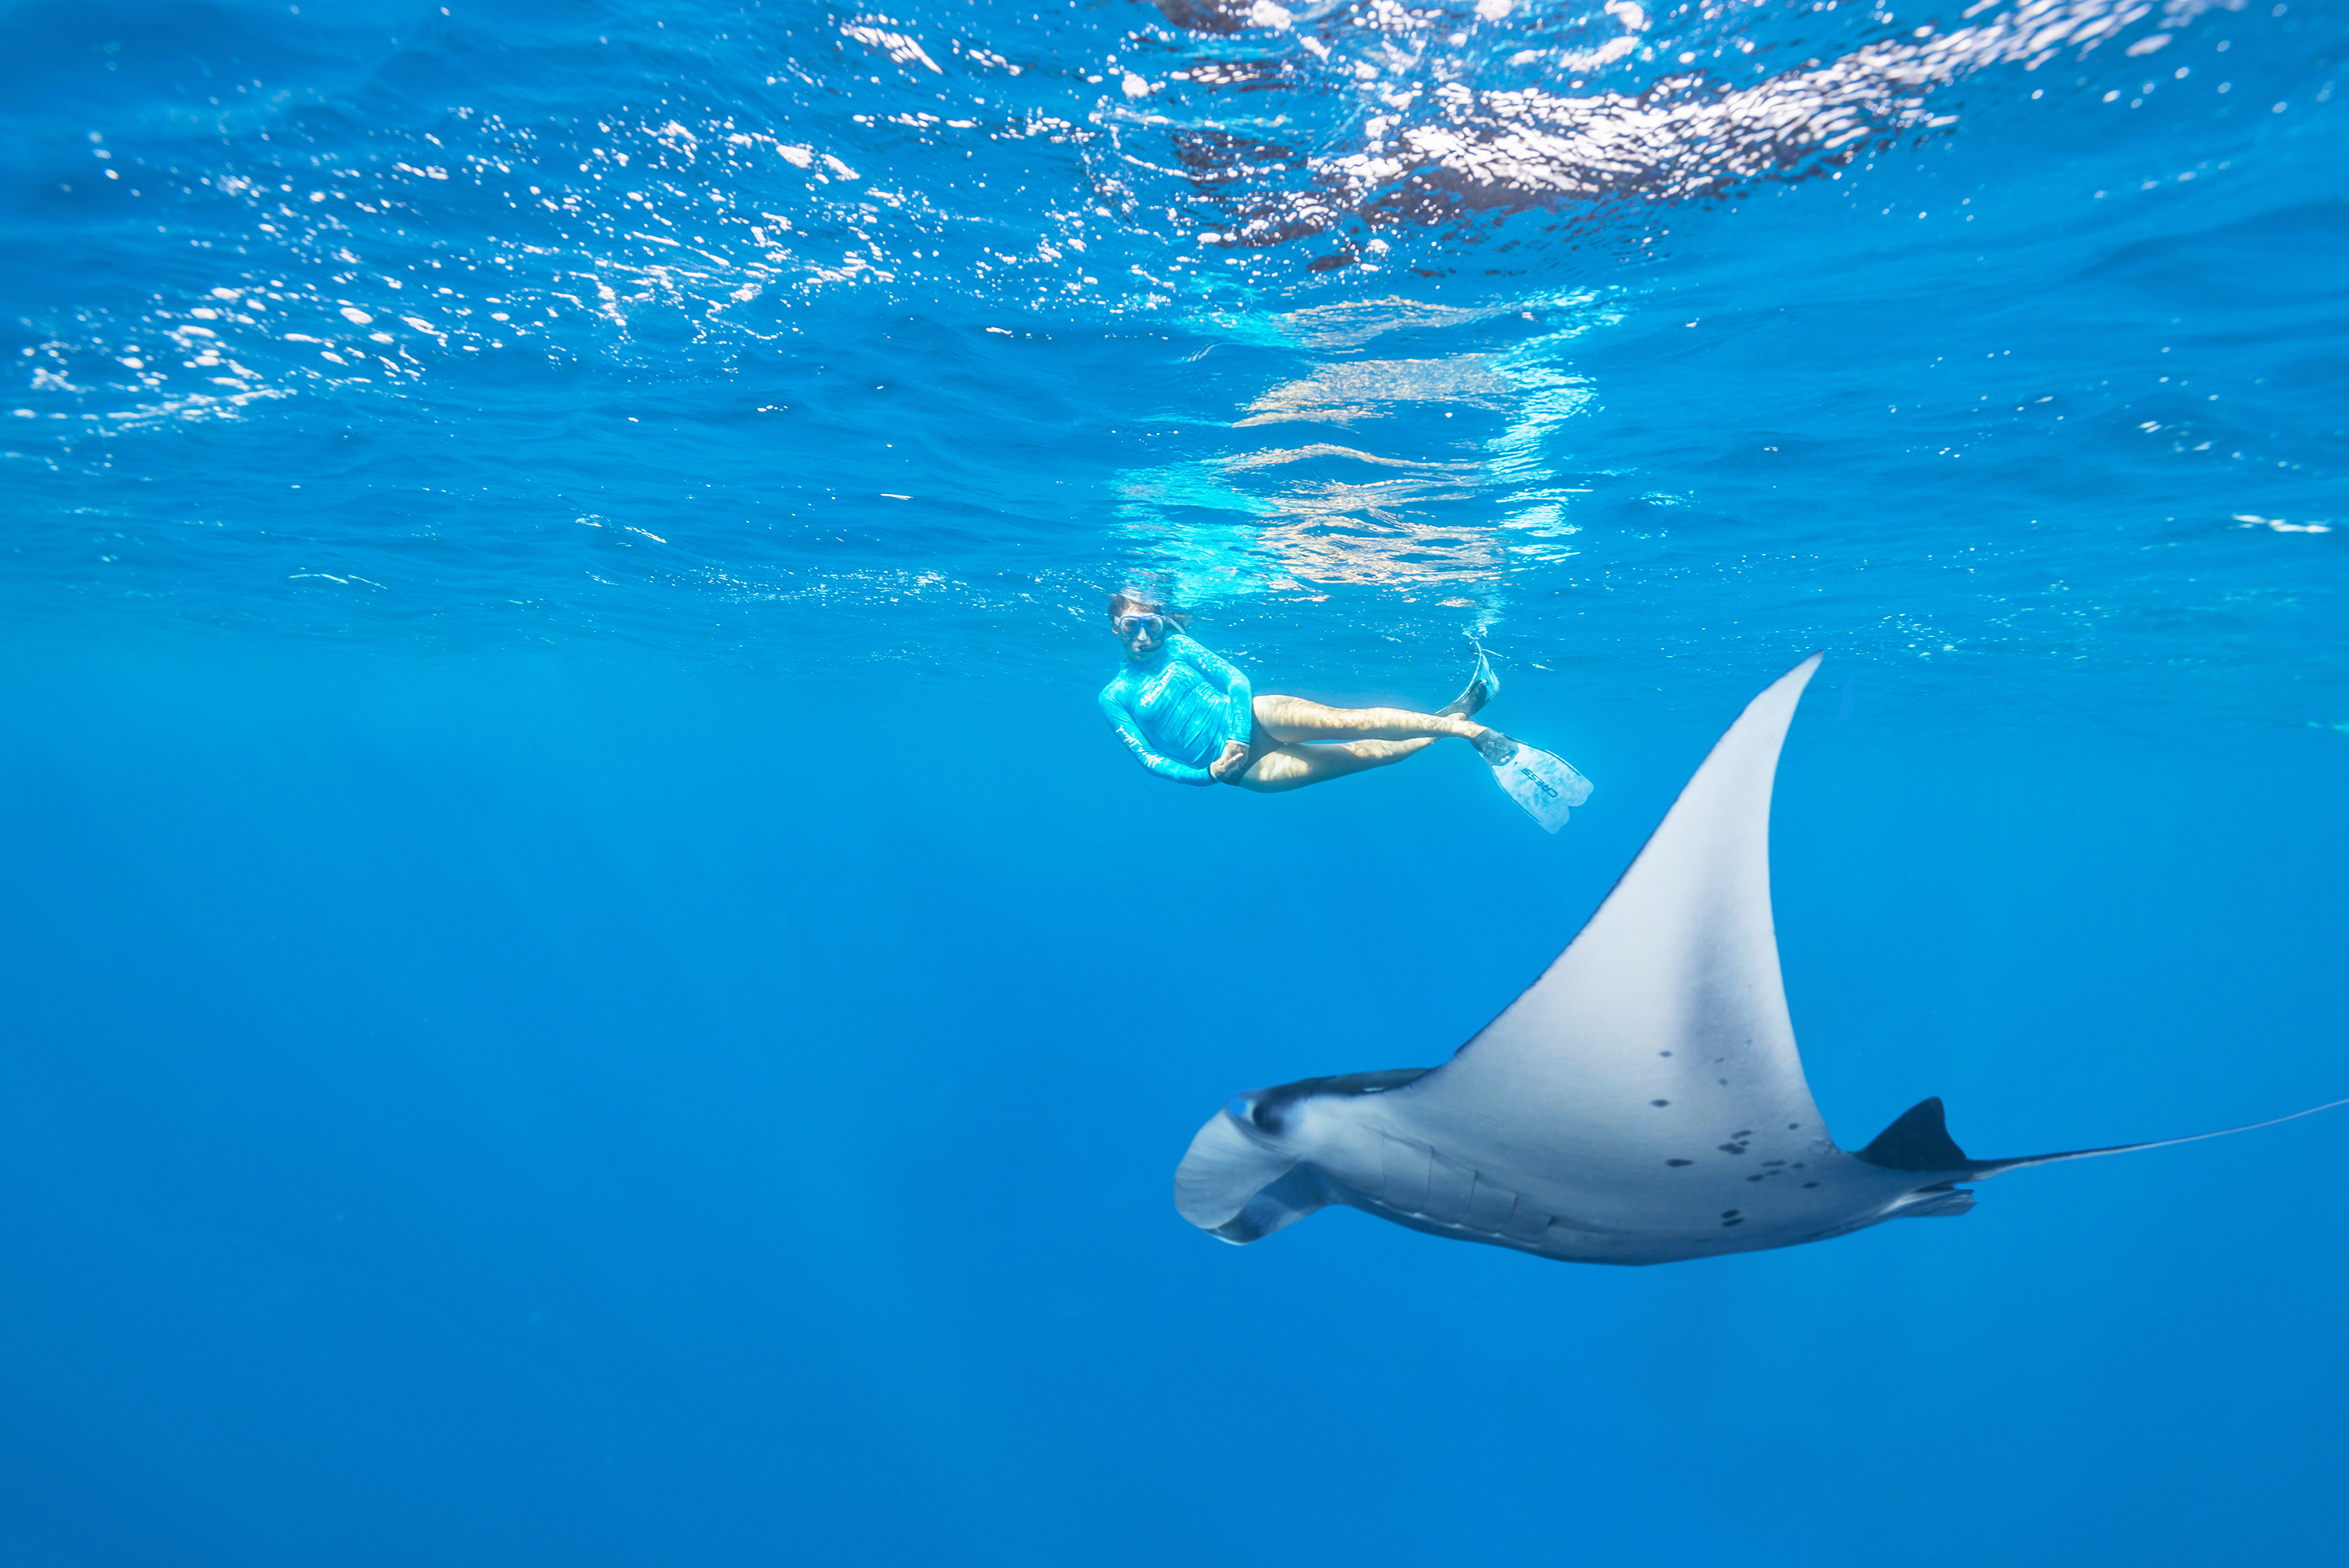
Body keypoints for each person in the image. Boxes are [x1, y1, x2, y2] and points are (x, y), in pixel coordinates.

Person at [1096, 590, 1510, 793]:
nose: (1146, 635)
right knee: (1370, 756)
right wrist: (1208, 774)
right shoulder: (1113, 697)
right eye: (1134, 625)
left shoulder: (1179, 646)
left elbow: (1236, 681)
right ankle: (1456, 715)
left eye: (1154, 623)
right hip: (1244, 772)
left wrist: (1238, 737)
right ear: (1116, 627)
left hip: (1255, 716)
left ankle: (1469, 733)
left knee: (1347, 722)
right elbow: (1148, 758)